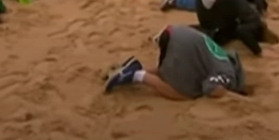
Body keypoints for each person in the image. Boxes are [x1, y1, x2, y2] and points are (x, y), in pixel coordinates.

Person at [104, 24, 247, 99]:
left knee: (167, 72)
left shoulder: (224, 58)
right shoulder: (228, 74)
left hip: (176, 32)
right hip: (183, 44)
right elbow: (211, 88)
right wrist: (230, 97)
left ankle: (134, 69)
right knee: (185, 94)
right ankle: (139, 76)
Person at [159, 0, 279, 56]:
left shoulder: (249, 16)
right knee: (208, 30)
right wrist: (258, 51)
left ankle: (174, 33)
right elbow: (242, 32)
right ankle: (176, 34)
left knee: (211, 30)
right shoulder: (253, 23)